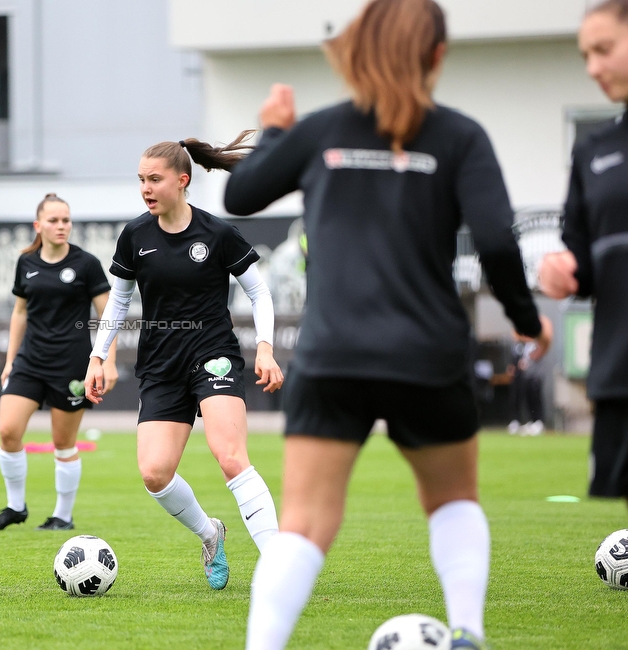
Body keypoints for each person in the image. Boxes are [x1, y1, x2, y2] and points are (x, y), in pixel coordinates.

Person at [223, 1, 553, 648]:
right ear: (436, 56)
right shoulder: (460, 136)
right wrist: (524, 318)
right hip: (427, 356)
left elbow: (239, 197)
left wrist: (273, 132)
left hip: (330, 355)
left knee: (306, 523)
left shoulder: (320, 131)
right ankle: (467, 632)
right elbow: (496, 238)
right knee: (453, 500)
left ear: (355, 50)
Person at [84, 134, 284, 592]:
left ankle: (278, 566)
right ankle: (211, 533)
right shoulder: (135, 235)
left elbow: (259, 291)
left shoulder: (216, 233)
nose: (146, 188)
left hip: (213, 354)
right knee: (155, 473)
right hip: (160, 363)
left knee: (231, 457)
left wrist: (267, 346)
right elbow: (117, 304)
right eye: (140, 180)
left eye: (154, 179)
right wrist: (98, 357)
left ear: (182, 179)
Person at [0, 194, 118, 532]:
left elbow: (109, 315)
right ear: (38, 225)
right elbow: (19, 312)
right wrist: (10, 360)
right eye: (54, 220)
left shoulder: (86, 264)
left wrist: (107, 362)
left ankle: (63, 516)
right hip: (29, 362)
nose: (61, 226)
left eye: (66, 220)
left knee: (63, 443)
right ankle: (15, 507)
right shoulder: (25, 262)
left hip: (71, 366)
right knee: (8, 431)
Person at [539, 0, 628, 505]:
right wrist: (563, 272)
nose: (593, 67)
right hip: (620, 369)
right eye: (585, 55)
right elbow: (581, 262)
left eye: (605, 50)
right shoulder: (593, 151)